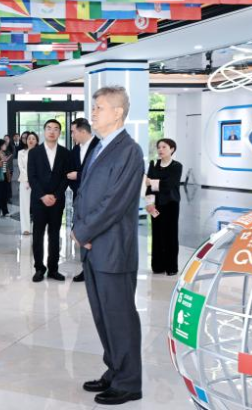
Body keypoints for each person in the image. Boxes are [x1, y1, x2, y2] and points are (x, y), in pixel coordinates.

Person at [72, 86, 144, 406]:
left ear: (118, 112)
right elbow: (85, 193)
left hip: (113, 250)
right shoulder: (100, 146)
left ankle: (129, 382)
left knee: (119, 317)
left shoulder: (129, 151)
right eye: (94, 106)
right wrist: (79, 229)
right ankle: (114, 370)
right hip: (93, 248)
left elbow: (114, 202)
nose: (94, 112)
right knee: (103, 316)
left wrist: (83, 231)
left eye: (99, 107)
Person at [28, 119, 71, 282]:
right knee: (38, 235)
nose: (52, 131)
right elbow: (32, 177)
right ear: (44, 131)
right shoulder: (34, 152)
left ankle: (53, 269)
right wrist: (42, 196)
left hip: (56, 201)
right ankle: (39, 268)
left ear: (59, 132)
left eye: (56, 129)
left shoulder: (65, 153)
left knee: (54, 235)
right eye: (49, 128)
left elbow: (65, 177)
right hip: (38, 201)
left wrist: (56, 195)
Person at [67, 118, 100, 282]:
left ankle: (98, 270)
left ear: (82, 131)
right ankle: (86, 269)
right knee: (82, 233)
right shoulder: (75, 150)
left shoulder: (100, 147)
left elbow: (100, 173)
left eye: (73, 132)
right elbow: (69, 173)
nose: (72, 135)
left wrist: (78, 175)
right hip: (79, 198)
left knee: (95, 235)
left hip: (96, 199)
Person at [145, 138, 183, 276]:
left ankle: (171, 267)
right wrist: (149, 202)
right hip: (155, 204)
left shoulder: (176, 166)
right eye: (159, 147)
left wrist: (151, 182)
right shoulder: (153, 164)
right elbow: (148, 187)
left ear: (172, 149)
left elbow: (169, 184)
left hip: (171, 204)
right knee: (157, 234)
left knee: (170, 235)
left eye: (164, 147)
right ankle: (158, 266)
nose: (160, 150)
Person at [18, 132, 39, 235]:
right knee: (24, 206)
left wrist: (34, 180)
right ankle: (25, 228)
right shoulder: (21, 153)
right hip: (24, 182)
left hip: (38, 183)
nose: (31, 140)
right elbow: (21, 168)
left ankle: (37, 228)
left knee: (38, 206)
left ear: (37, 141)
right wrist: (28, 180)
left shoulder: (41, 153)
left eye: (33, 138)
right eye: (29, 138)